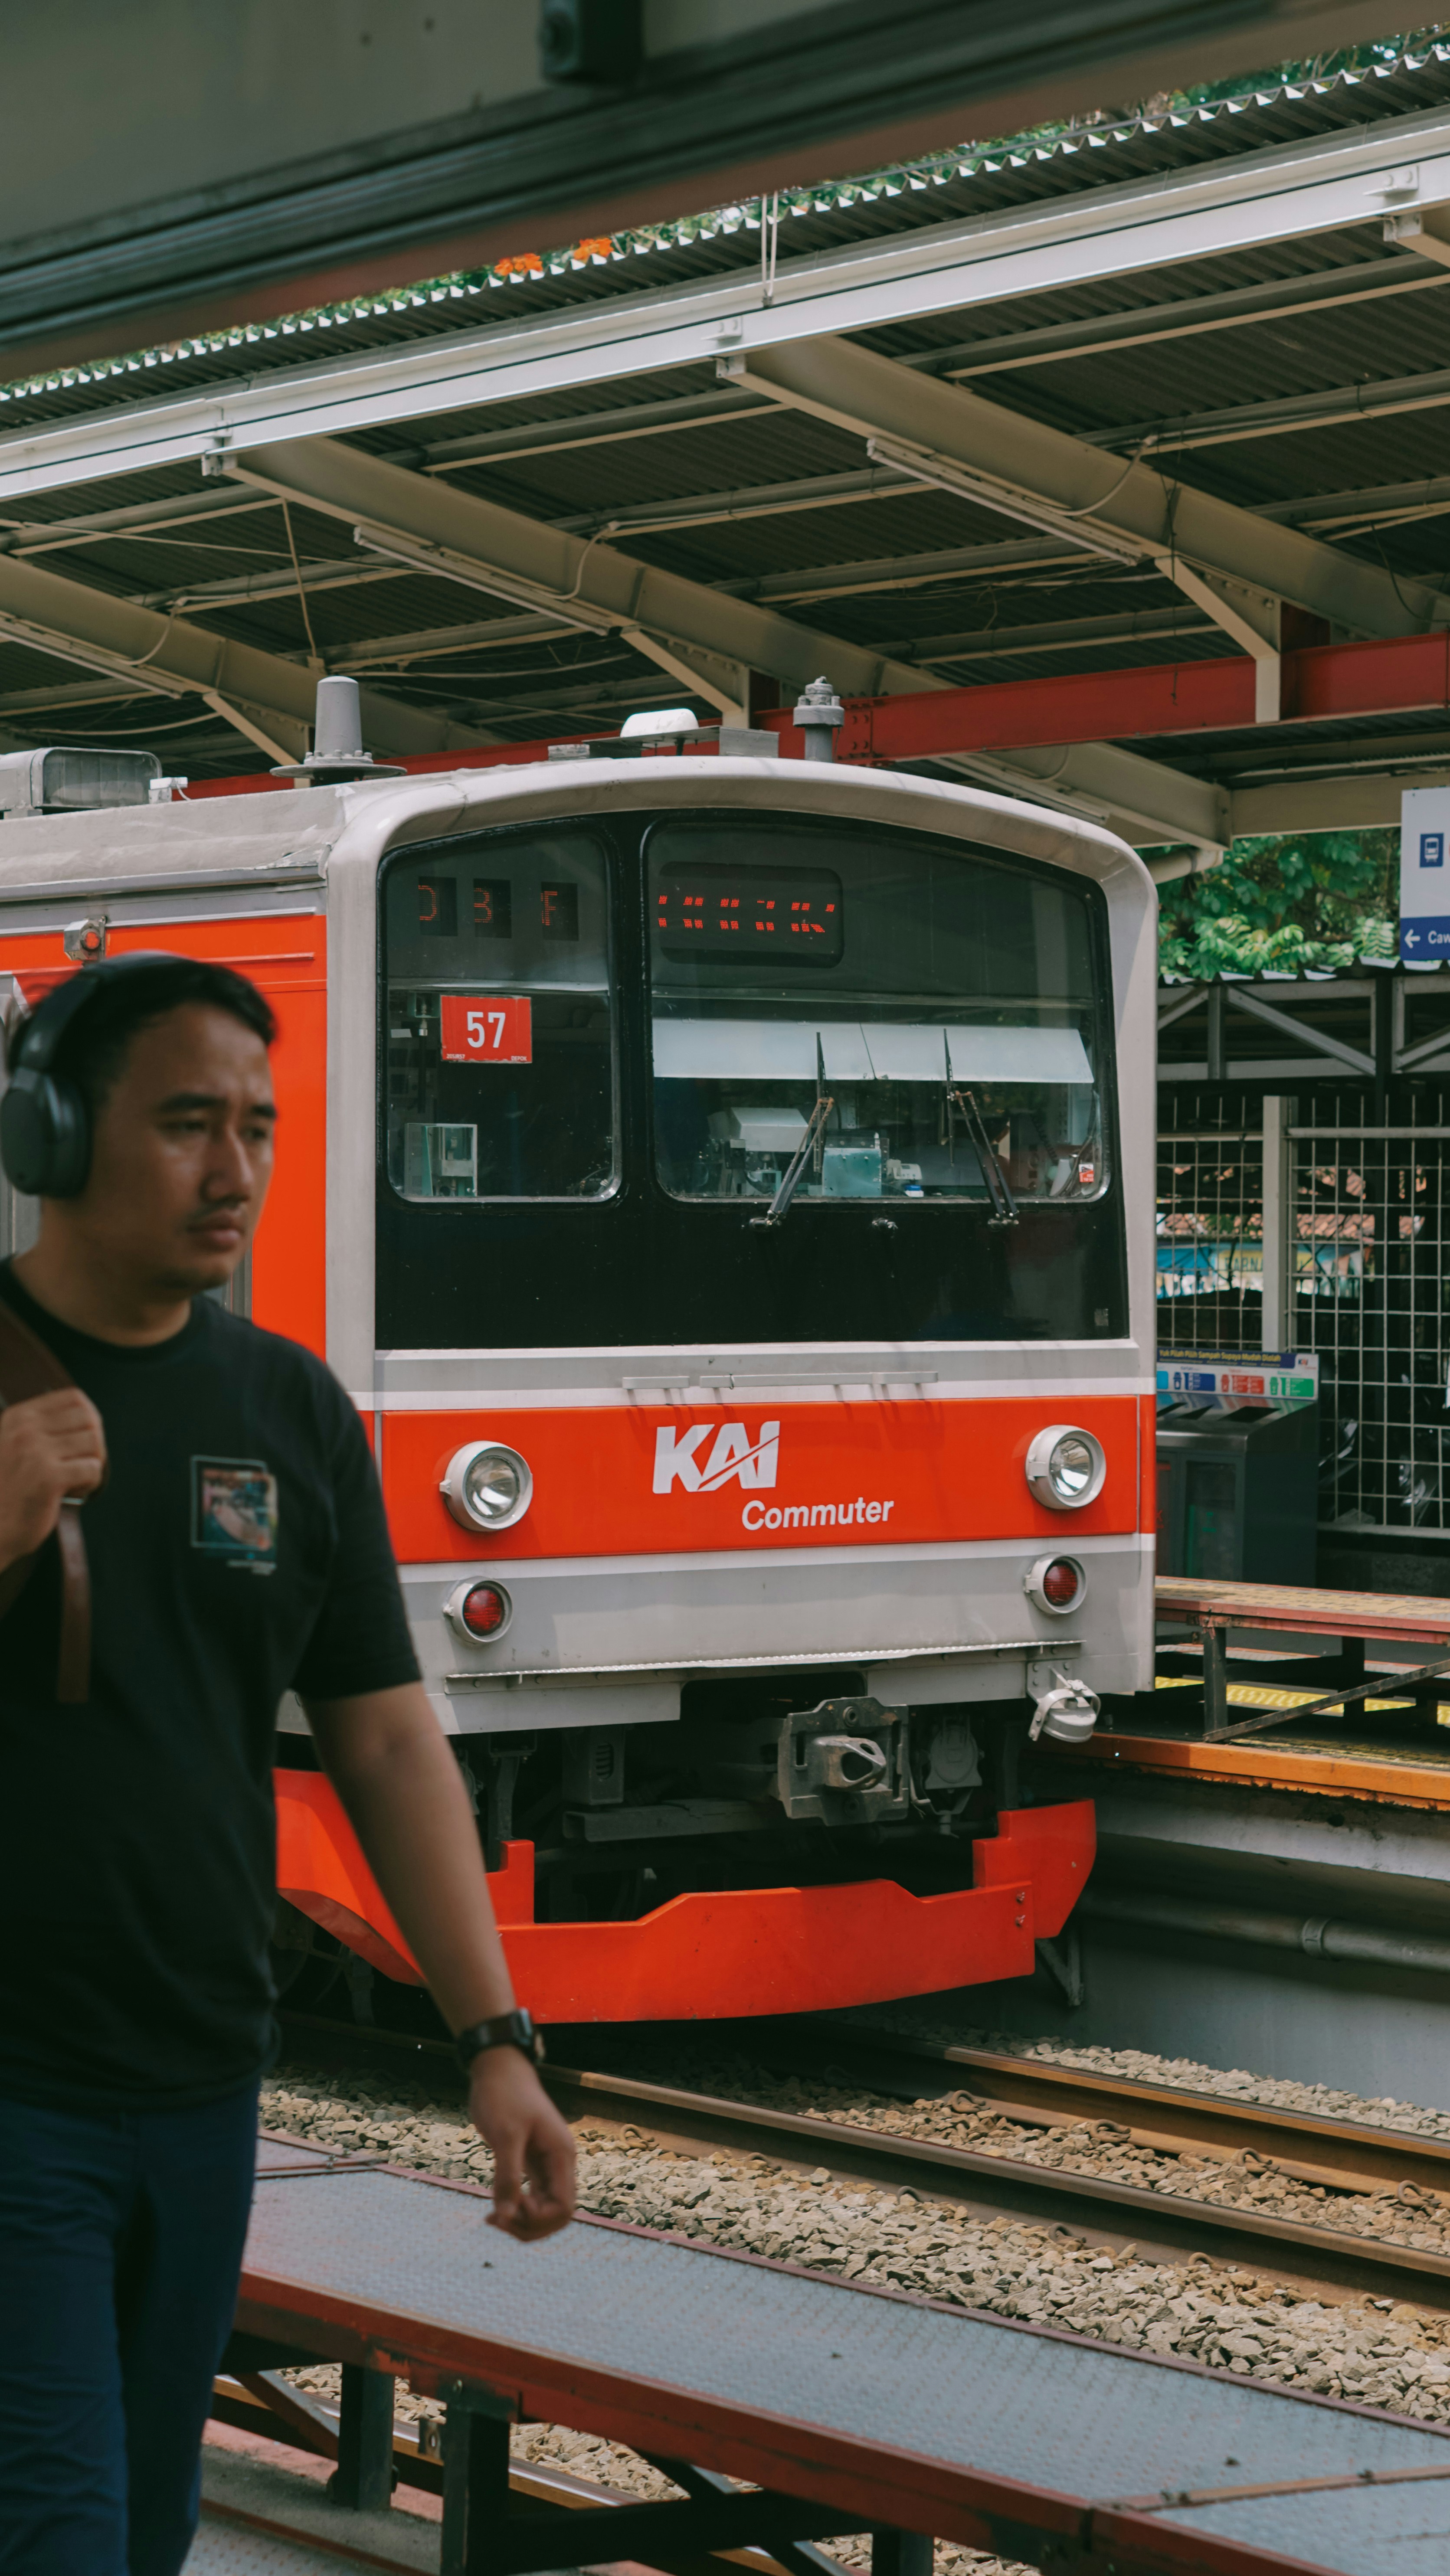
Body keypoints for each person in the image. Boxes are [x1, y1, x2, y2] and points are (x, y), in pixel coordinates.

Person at [0, 952, 576, 2576]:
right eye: (187, 1122)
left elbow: (387, 1733)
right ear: (49, 1133)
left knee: (142, 2527)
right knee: (55, 2533)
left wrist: (494, 2039)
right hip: (7, 2082)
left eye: (256, 1122)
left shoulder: (290, 1409)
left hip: (197, 2079)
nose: (235, 1169)